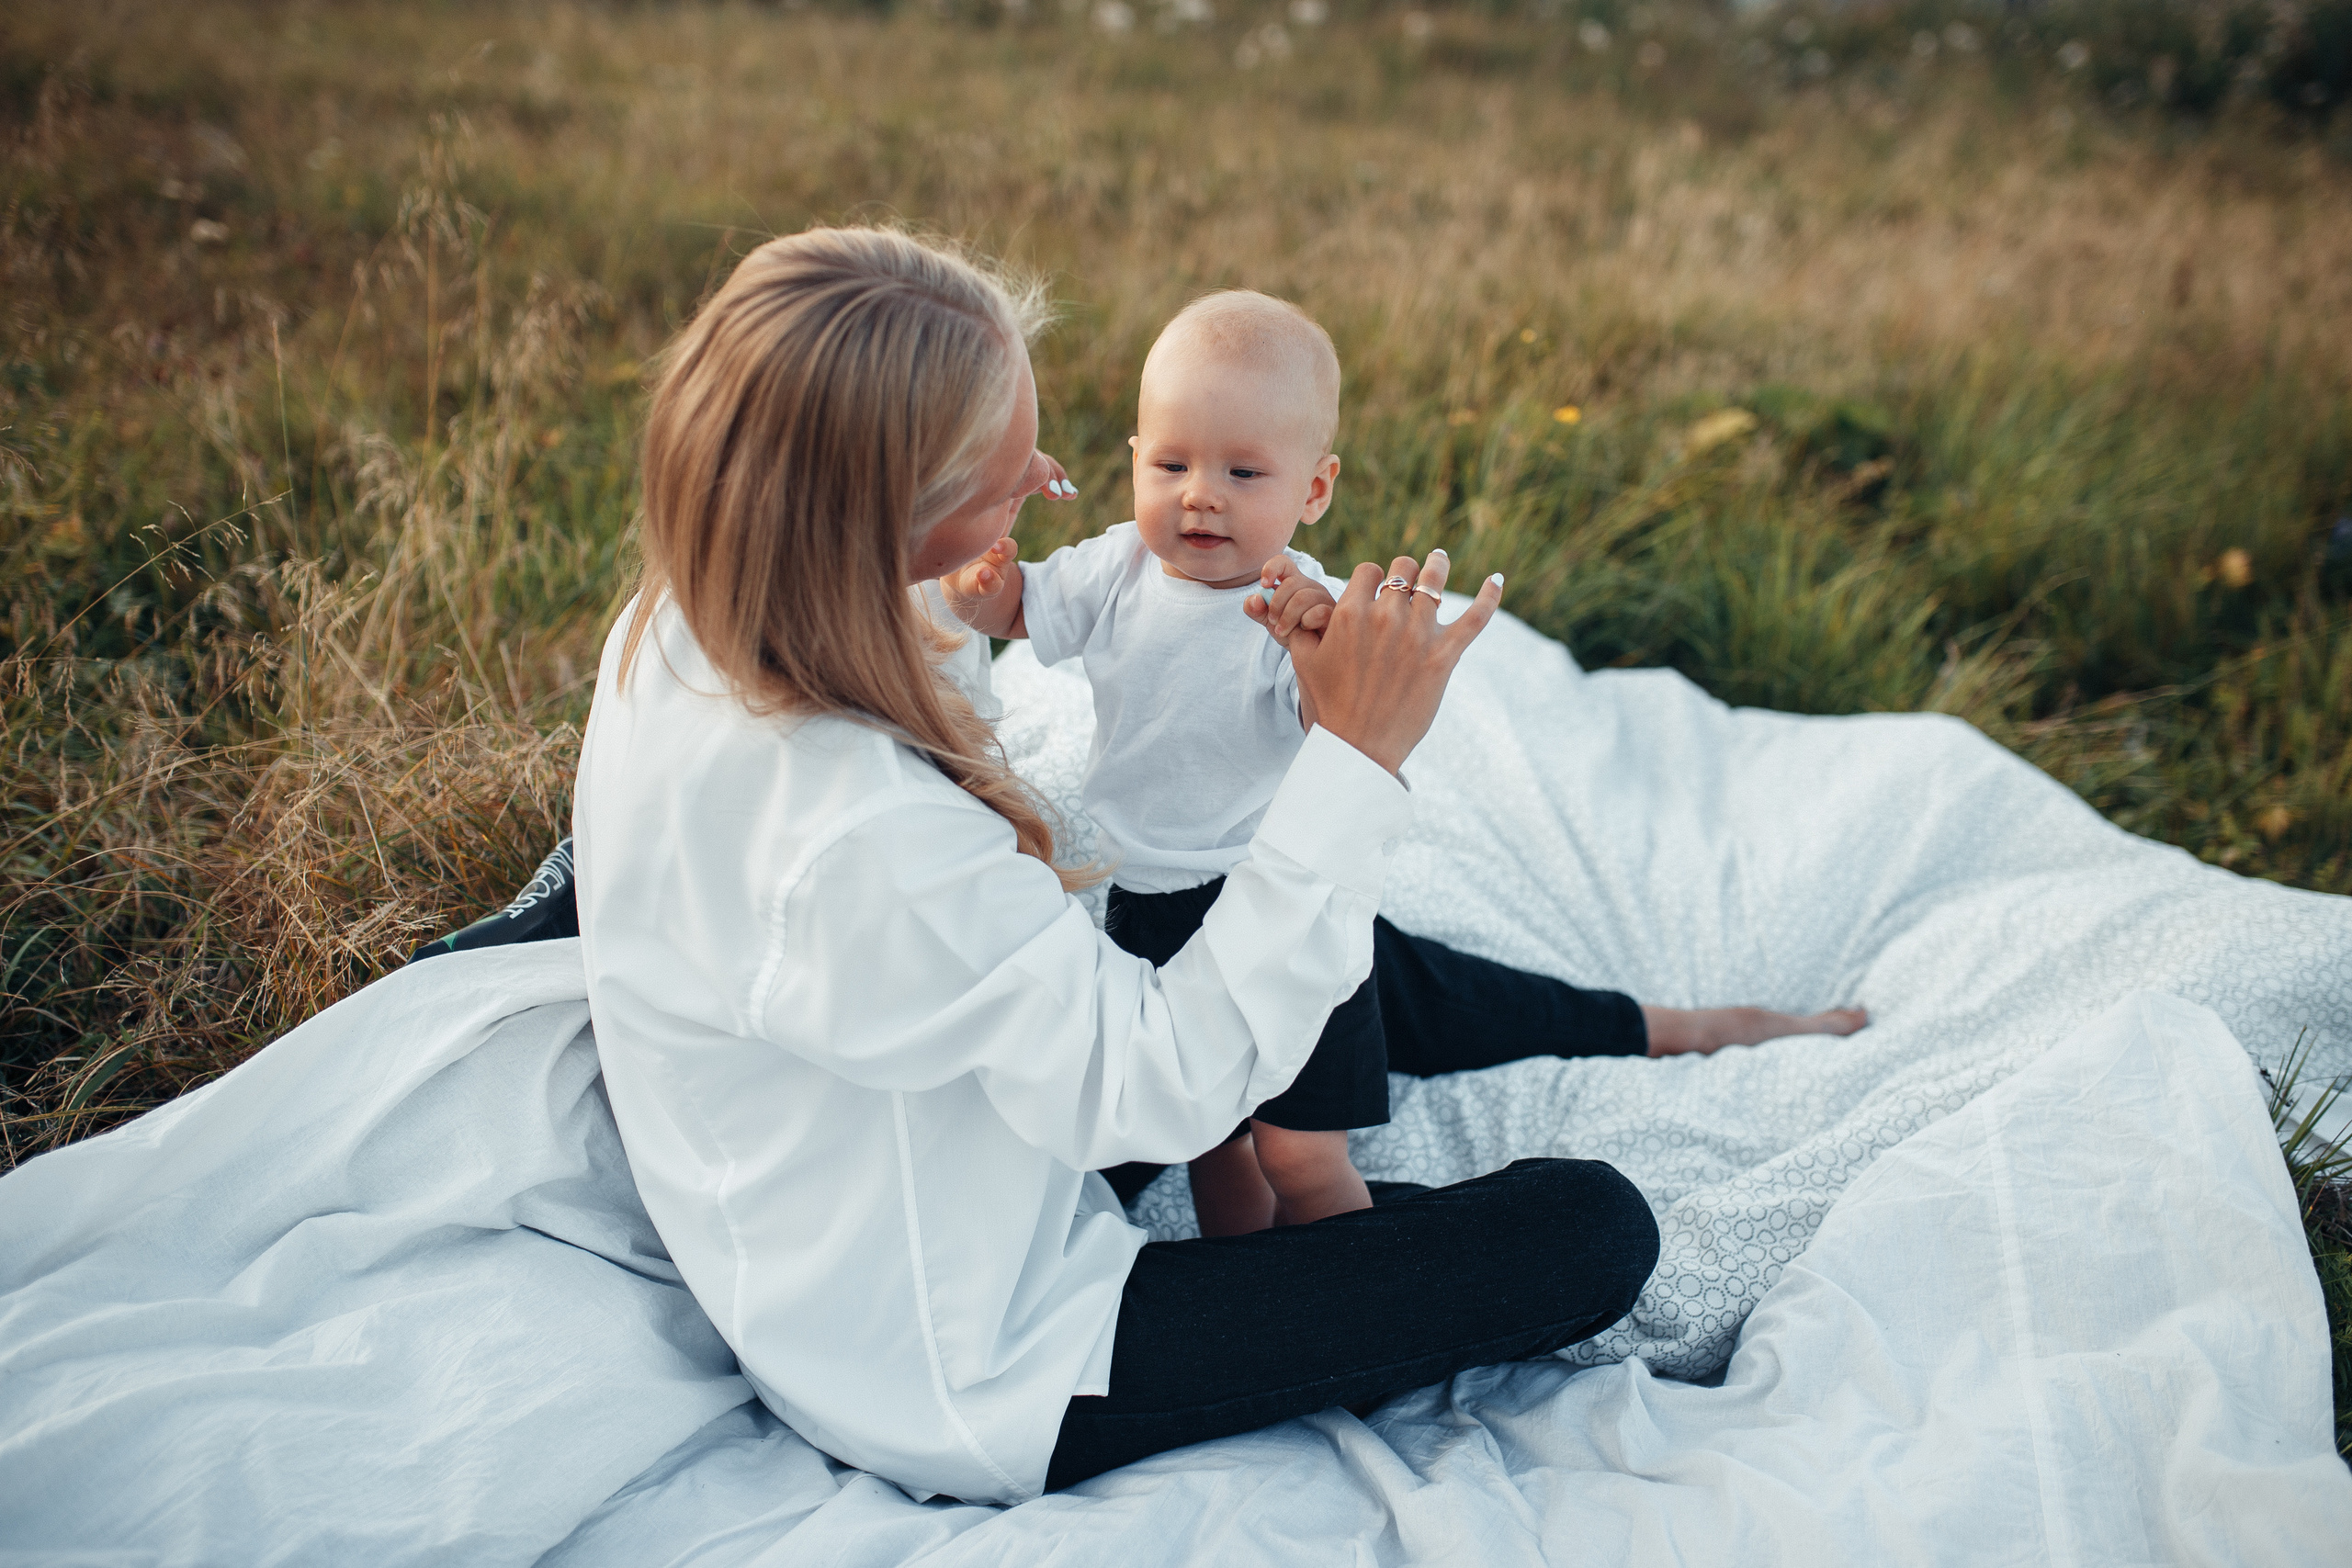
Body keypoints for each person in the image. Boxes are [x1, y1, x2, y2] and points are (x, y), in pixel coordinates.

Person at [577, 224, 1647, 1507]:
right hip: (989, 1353)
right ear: (889, 508)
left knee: (1333, 946)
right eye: (998, 467)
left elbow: (982, 630)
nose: (1043, 473)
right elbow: (1160, 1086)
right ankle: (1399, 1171)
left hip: (965, 1126)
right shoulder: (854, 837)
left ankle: (1645, 1024)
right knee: (1588, 1225)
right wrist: (1356, 754)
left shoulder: (701, 607)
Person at [939, 289, 1867, 1236]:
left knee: (1300, 1152)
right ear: (1133, 461)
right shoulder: (1113, 569)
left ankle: (1359, 1273)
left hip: (1286, 906)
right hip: (1154, 899)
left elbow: (1337, 727)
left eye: (1243, 471)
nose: (1200, 494)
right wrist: (981, 586)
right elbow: (1022, 611)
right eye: (1171, 462)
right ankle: (1262, 1293)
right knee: (1210, 1139)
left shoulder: (1297, 605)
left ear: (1314, 490)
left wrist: (1314, 657)